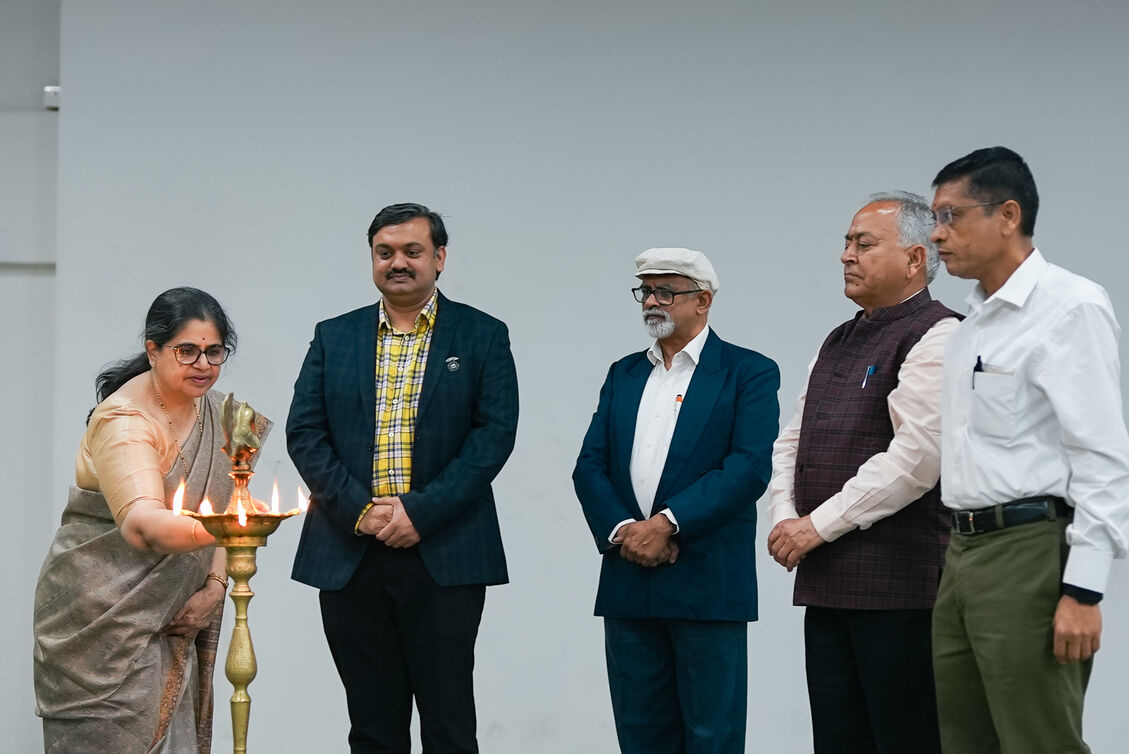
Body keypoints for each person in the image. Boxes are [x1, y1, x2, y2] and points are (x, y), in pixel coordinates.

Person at [287, 202, 519, 754]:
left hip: (444, 553)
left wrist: (420, 513)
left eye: (412, 251)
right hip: (350, 552)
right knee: (372, 728)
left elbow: (492, 438)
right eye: (384, 252)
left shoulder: (483, 334)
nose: (398, 262)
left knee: (448, 726)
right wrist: (361, 512)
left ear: (439, 258)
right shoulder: (334, 336)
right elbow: (305, 433)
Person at [929, 146, 1129, 752]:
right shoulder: (970, 327)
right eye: (934, 219)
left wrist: (1084, 589)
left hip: (1029, 555)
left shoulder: (1070, 307)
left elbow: (1102, 455)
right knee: (964, 739)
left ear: (1008, 215)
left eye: (951, 215)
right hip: (961, 554)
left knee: (1039, 741)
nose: (937, 234)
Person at [767, 192, 959, 753]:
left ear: (915, 258)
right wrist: (784, 518)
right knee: (837, 740)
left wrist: (814, 527)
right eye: (847, 243)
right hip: (828, 584)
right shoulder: (839, 338)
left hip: (902, 590)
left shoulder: (940, 332)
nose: (846, 255)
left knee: (907, 740)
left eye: (864, 244)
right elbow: (793, 441)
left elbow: (916, 459)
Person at [573, 247, 779, 754]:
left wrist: (665, 524)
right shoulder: (623, 373)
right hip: (628, 579)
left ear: (703, 300)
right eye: (645, 291)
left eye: (666, 292)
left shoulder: (747, 371)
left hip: (707, 582)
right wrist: (625, 531)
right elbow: (589, 465)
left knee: (712, 737)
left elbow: (748, 467)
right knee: (640, 736)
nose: (651, 302)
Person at [33, 287, 257, 754]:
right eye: (186, 351)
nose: (202, 364)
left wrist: (215, 586)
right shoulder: (124, 419)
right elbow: (142, 524)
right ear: (153, 351)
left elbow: (230, 500)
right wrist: (232, 530)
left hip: (176, 615)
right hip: (103, 623)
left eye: (214, 352)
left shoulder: (224, 417)